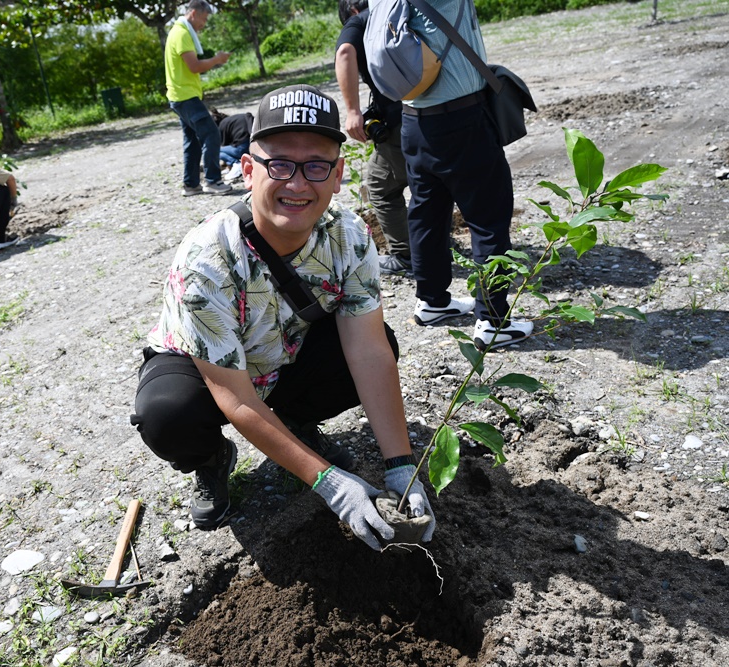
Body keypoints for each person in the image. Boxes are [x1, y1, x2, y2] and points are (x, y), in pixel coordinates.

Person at [130, 84, 436, 551]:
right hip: (209, 373)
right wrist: (328, 482)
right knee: (167, 415)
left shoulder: (349, 236)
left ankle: (294, 421)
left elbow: (369, 351)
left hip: (282, 356)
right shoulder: (206, 258)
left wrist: (400, 463)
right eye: (279, 165)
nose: (297, 184)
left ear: (337, 175)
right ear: (248, 170)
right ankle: (211, 458)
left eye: (316, 166)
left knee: (382, 343)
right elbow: (234, 396)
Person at [399, 0, 533, 350]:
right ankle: (492, 321)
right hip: (461, 121)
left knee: (426, 212)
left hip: (413, 121)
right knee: (489, 217)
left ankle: (432, 301)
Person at [335, 0, 412, 276]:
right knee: (433, 181)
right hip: (435, 110)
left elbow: (345, 52)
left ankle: (405, 255)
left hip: (402, 122)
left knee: (381, 185)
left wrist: (353, 111)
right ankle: (433, 242)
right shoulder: (404, 8)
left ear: (353, 12)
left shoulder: (362, 19)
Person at [165, 0, 233, 197]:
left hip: (180, 95)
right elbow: (194, 66)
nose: (204, 24)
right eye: (203, 19)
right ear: (193, 13)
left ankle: (191, 185)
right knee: (211, 134)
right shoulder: (182, 34)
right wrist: (217, 60)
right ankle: (212, 181)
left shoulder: (179, 31)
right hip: (185, 96)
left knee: (192, 141)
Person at [210, 108, 253, 183]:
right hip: (253, 145)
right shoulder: (234, 119)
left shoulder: (222, 125)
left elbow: (224, 145)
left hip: (242, 147)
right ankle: (235, 164)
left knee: (215, 150)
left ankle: (236, 163)